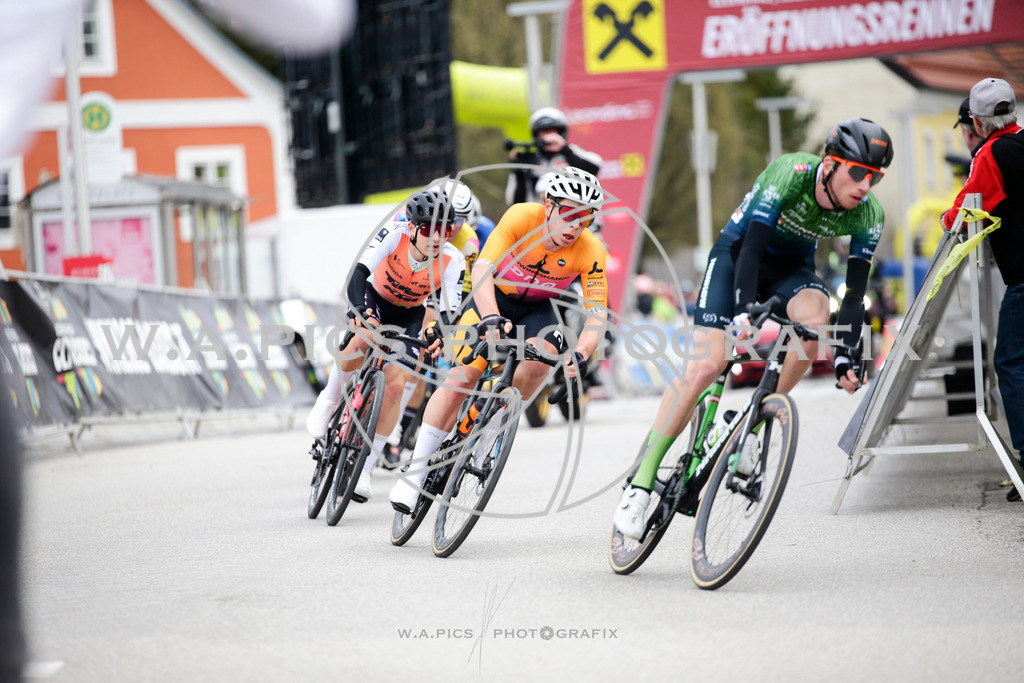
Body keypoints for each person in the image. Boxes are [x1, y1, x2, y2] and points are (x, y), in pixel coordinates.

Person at [614, 118, 894, 538]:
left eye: (876, 177)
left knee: (816, 318)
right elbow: (752, 248)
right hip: (737, 257)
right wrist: (744, 311)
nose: (865, 186)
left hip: (791, 270)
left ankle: (752, 422)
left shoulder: (868, 215)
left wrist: (843, 353)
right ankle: (639, 485)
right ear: (830, 163)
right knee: (707, 366)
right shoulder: (791, 174)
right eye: (858, 173)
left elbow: (854, 296)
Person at [390, 167, 609, 512]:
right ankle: (415, 474)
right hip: (494, 299)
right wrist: (491, 317)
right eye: (568, 214)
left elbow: (598, 313)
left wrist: (582, 353)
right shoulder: (521, 217)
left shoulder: (591, 249)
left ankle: (489, 428)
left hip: (538, 311)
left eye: (584, 219)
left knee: (541, 360)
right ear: (547, 203)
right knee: (463, 375)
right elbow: (483, 269)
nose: (574, 227)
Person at [305, 188, 464, 500]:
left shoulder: (453, 260)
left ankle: (365, 467)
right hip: (373, 297)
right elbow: (358, 273)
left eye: (444, 230)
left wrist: (436, 334)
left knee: (396, 384)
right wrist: (363, 313)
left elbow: (447, 313)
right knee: (360, 340)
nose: (437, 238)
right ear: (413, 227)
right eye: (429, 230)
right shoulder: (394, 233)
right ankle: (329, 398)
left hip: (410, 313)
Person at [940, 78, 1024, 502]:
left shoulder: (990, 154)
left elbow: (966, 207)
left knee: (1008, 361)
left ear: (976, 119)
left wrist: (946, 218)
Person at [505, 107, 603, 205]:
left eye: (552, 131)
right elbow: (514, 202)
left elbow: (595, 168)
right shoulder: (530, 160)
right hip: (541, 214)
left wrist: (565, 150)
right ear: (535, 135)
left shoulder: (572, 152)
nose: (547, 137)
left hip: (574, 211)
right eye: (542, 132)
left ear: (561, 132)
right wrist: (519, 173)